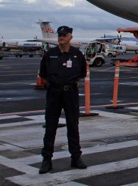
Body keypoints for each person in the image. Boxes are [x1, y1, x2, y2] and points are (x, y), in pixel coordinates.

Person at [39, 25, 88, 174]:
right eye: (60, 35)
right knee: (50, 126)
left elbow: (82, 72)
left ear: (70, 37)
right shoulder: (50, 54)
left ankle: (75, 157)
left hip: (70, 93)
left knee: (73, 125)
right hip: (54, 93)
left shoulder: (77, 55)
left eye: (64, 35)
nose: (61, 37)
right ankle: (47, 160)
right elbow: (43, 73)